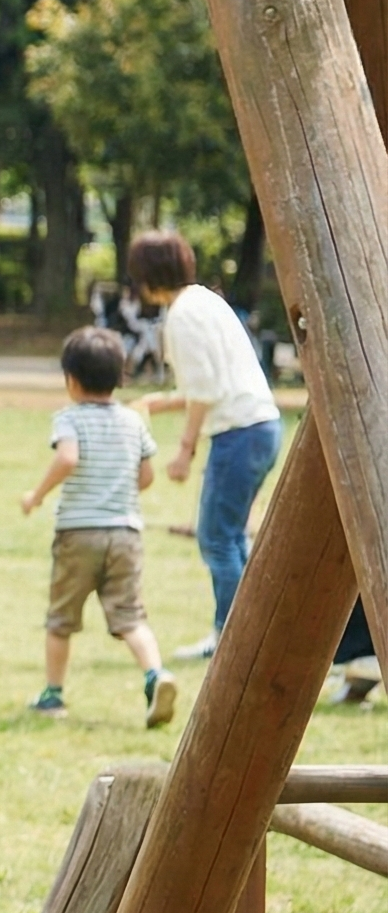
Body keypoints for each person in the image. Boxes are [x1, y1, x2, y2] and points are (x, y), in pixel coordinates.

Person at [126, 232, 282, 663]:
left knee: (216, 538)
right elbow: (211, 382)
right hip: (261, 426)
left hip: (238, 433)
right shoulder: (206, 300)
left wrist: (185, 450)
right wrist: (159, 403)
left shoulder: (182, 315)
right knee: (232, 539)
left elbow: (206, 391)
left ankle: (232, 638)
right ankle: (250, 632)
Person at [21, 328, 179, 726]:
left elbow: (67, 459)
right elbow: (146, 477)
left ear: (71, 380)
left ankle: (53, 694)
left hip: (79, 533)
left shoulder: (69, 418)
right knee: (131, 617)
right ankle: (155, 674)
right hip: (125, 534)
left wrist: (37, 495)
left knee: (61, 619)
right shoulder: (132, 421)